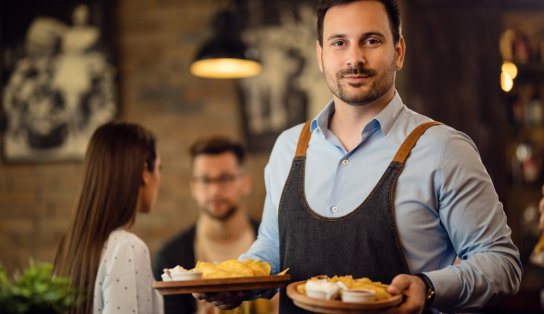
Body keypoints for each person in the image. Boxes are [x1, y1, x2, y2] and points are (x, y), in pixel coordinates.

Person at [196, 0, 522, 313]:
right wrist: (237, 282)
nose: (355, 58)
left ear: (399, 51)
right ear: (320, 55)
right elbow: (271, 249)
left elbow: (502, 263)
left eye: (371, 40)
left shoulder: (443, 149)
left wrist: (430, 287)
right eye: (339, 43)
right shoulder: (287, 147)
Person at [153, 136, 277, 314]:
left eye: (225, 178)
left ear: (246, 183)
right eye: (205, 180)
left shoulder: (275, 246)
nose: (215, 190)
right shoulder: (170, 258)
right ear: (193, 187)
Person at [54, 121, 163, 314]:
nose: (159, 179)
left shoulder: (71, 245)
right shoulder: (127, 246)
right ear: (145, 172)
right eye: (159, 168)